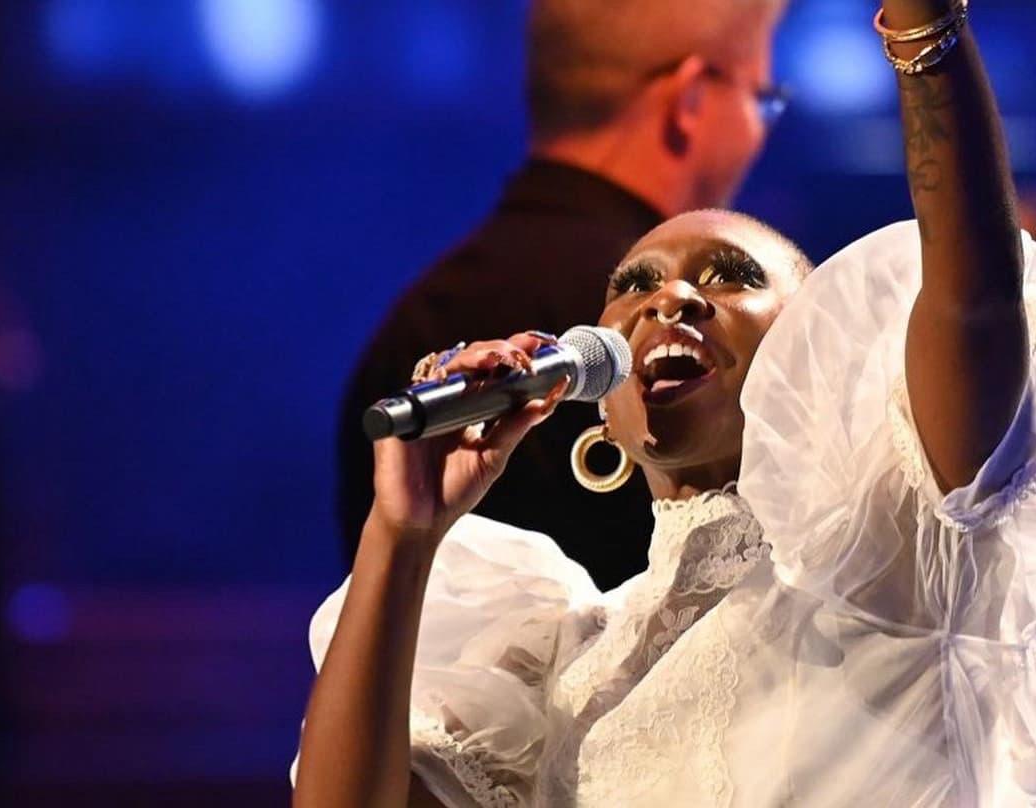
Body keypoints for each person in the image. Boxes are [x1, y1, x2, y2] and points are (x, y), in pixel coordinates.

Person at [295, 1, 1036, 805]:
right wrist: (405, 534)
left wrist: (925, 29)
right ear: (601, 409)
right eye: (631, 286)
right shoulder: (568, 659)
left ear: (819, 356)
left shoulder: (899, 549)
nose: (668, 298)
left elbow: (975, 297)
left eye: (731, 276)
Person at [335, 0, 791, 588]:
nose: (669, 301)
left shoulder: (411, 319)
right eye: (762, 99)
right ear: (691, 100)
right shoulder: (686, 334)